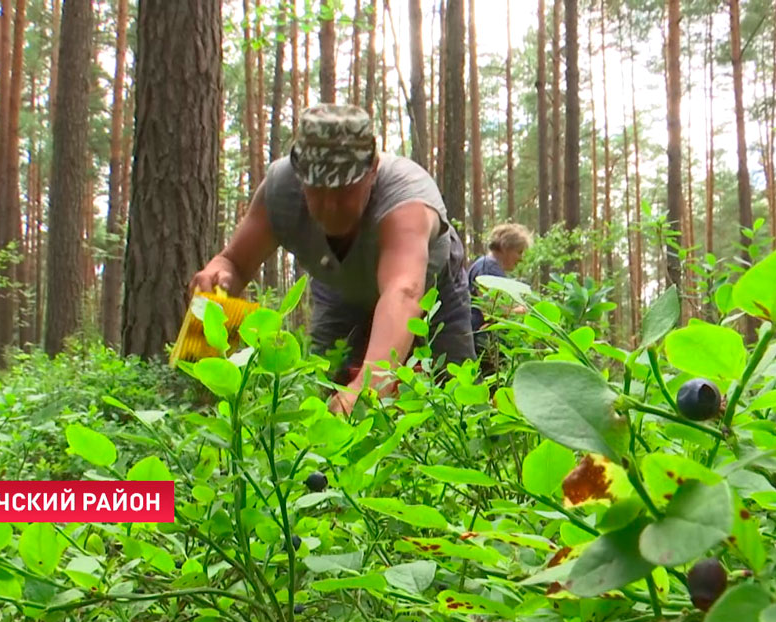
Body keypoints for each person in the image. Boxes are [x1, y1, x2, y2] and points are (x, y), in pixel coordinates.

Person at [188, 104, 475, 415]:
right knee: (329, 389)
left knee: (454, 399)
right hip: (341, 288)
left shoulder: (405, 197)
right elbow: (234, 262)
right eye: (317, 190)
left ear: (372, 170)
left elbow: (403, 291)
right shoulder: (281, 189)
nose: (329, 207)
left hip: (433, 292)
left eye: (344, 192)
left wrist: (369, 382)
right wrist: (220, 275)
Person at [467, 223, 531, 376]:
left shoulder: (487, 267)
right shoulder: (487, 269)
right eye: (519, 252)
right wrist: (522, 309)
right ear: (505, 247)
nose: (521, 259)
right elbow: (490, 311)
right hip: (483, 345)